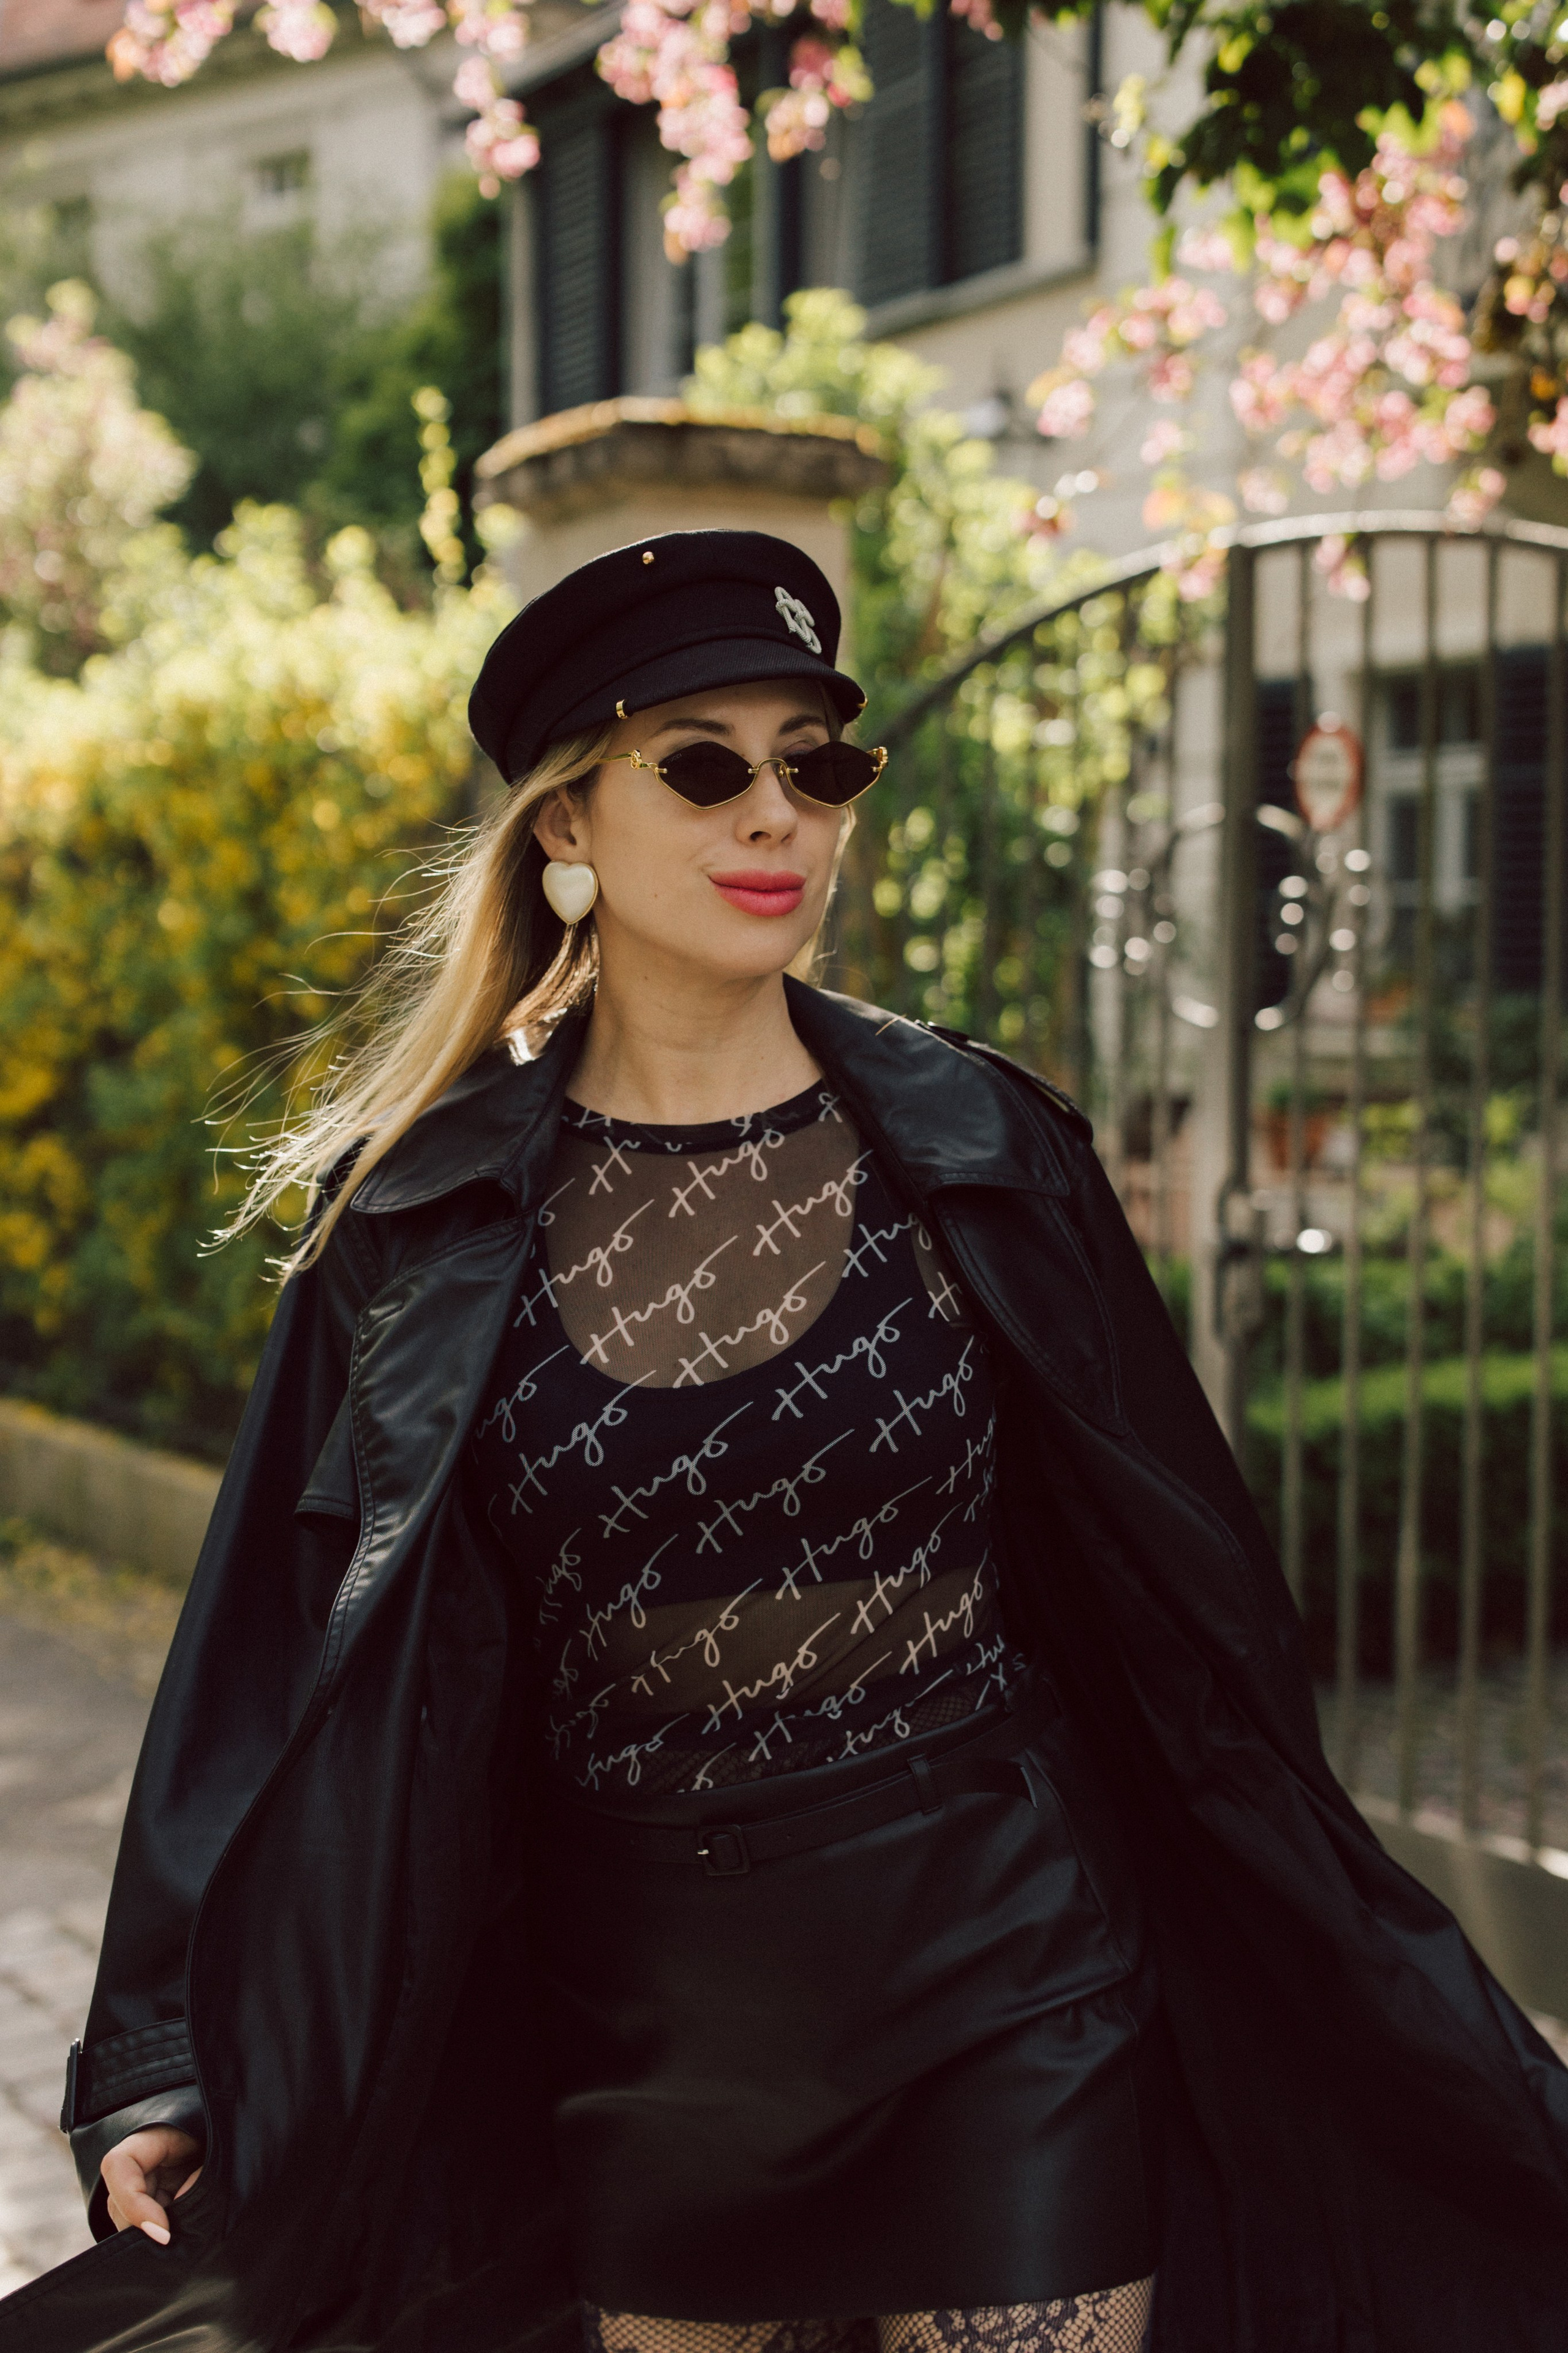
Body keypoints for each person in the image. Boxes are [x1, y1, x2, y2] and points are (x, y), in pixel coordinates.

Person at [4, 531, 1566, 2353]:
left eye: (819, 763)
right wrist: (171, 2041)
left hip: (1011, 1965)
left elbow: (1186, 1591)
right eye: (707, 764)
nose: (781, 815)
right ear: (567, 825)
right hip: (654, 2024)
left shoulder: (985, 1149)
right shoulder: (413, 1234)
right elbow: (272, 1656)